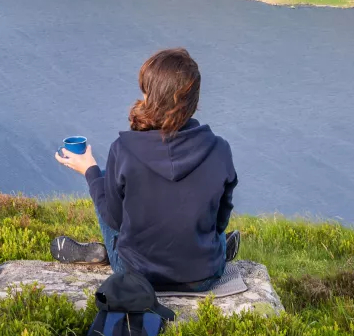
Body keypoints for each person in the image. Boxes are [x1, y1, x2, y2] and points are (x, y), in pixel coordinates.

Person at [52, 47, 239, 292]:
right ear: (194, 102)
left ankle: (105, 252)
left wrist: (90, 171)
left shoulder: (123, 150)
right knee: (214, 234)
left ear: (150, 95)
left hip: (137, 276)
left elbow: (114, 220)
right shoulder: (219, 150)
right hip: (203, 275)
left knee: (106, 184)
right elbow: (220, 220)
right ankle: (215, 249)